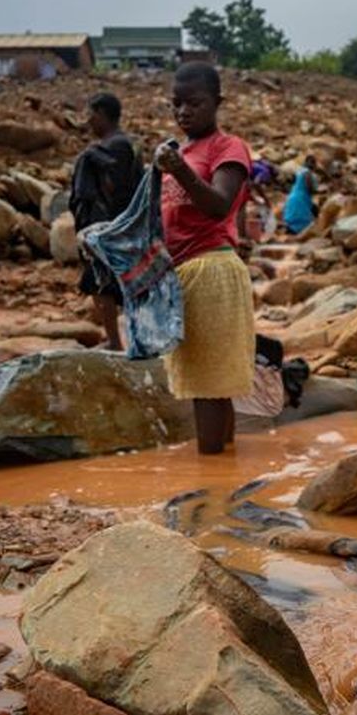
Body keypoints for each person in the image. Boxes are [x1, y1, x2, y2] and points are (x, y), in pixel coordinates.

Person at [152, 62, 255, 456]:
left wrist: (179, 170)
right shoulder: (181, 151)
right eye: (176, 104)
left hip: (211, 267)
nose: (183, 112)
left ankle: (211, 481)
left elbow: (219, 205)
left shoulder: (226, 147)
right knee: (210, 380)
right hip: (185, 271)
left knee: (208, 383)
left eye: (193, 103)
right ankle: (222, 469)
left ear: (217, 103)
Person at [70, 92, 142, 351]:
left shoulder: (114, 147)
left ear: (102, 114)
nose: (88, 121)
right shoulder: (125, 145)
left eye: (91, 114)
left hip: (109, 227)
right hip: (122, 226)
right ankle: (122, 340)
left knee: (103, 283)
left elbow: (112, 188)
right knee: (112, 284)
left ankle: (115, 342)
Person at [283, 154, 319, 234]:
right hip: (301, 197)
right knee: (302, 215)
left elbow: (294, 182)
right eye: (311, 162)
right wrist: (316, 191)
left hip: (294, 195)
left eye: (313, 163)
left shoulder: (300, 171)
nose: (312, 165)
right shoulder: (307, 173)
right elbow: (309, 186)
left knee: (295, 214)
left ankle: (290, 229)